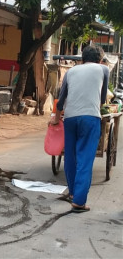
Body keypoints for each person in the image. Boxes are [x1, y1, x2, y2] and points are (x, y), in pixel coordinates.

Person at [49, 44, 109, 213]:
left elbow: (60, 100)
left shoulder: (71, 72)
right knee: (85, 159)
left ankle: (74, 194)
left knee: (70, 156)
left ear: (82, 58)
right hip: (90, 118)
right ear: (99, 59)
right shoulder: (103, 70)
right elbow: (103, 98)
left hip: (70, 118)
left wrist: (55, 118)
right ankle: (79, 201)